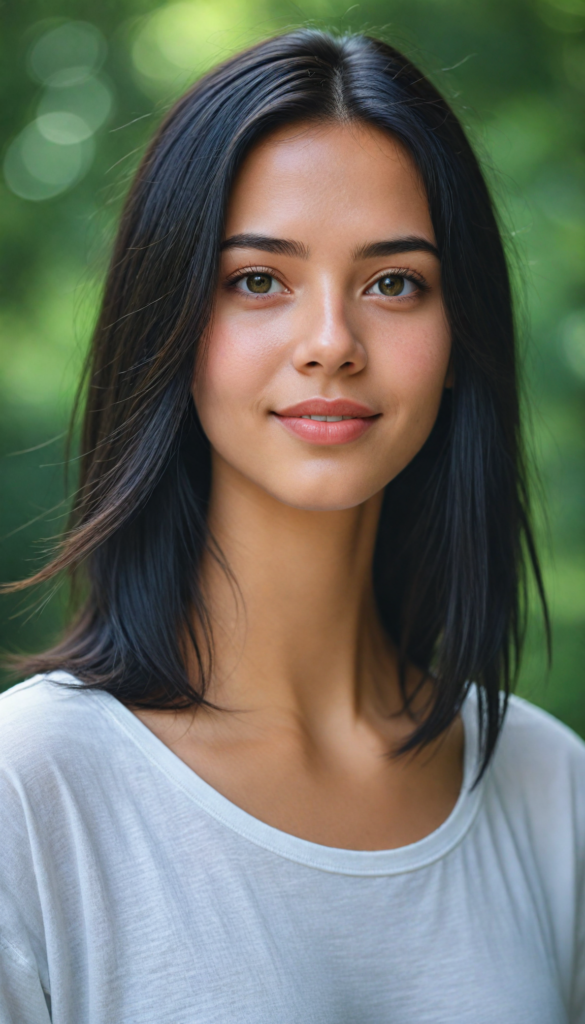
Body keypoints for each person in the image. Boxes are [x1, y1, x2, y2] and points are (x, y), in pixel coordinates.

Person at [0, 28, 583, 1024]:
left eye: (393, 282)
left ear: (457, 338)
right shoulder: (29, 790)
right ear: (169, 325)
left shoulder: (551, 791)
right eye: (258, 280)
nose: (330, 344)